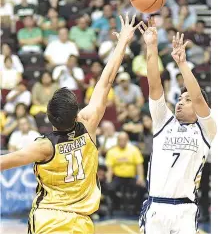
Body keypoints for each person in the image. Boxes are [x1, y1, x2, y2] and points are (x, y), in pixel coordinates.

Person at [0, 14, 143, 234]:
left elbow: (5, 162)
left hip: (47, 219)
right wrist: (123, 42)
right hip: (80, 222)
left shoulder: (44, 146)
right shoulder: (89, 124)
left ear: (49, 118)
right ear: (76, 114)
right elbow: (106, 81)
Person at [137, 18, 216, 234]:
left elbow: (199, 98)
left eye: (187, 100)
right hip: (157, 207)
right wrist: (151, 46)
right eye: (180, 98)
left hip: (185, 210)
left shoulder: (206, 129)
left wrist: (182, 63)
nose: (181, 102)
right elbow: (154, 85)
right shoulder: (164, 121)